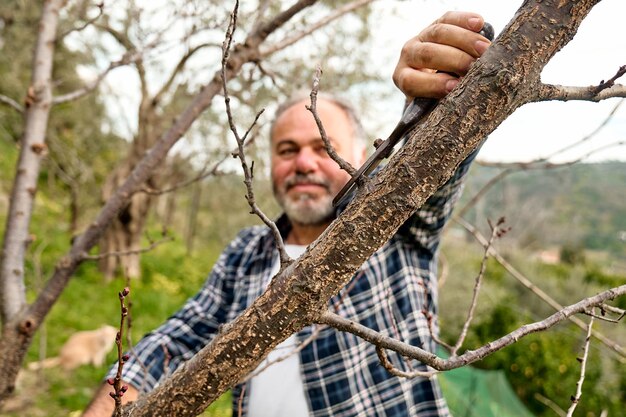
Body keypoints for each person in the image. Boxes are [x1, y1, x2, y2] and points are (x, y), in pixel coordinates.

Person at [83, 11, 492, 417]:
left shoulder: (394, 224)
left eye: (322, 147)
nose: (304, 164)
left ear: (362, 156)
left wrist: (444, 85)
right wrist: (109, 407)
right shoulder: (246, 254)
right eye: (287, 150)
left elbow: (432, 164)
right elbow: (177, 339)